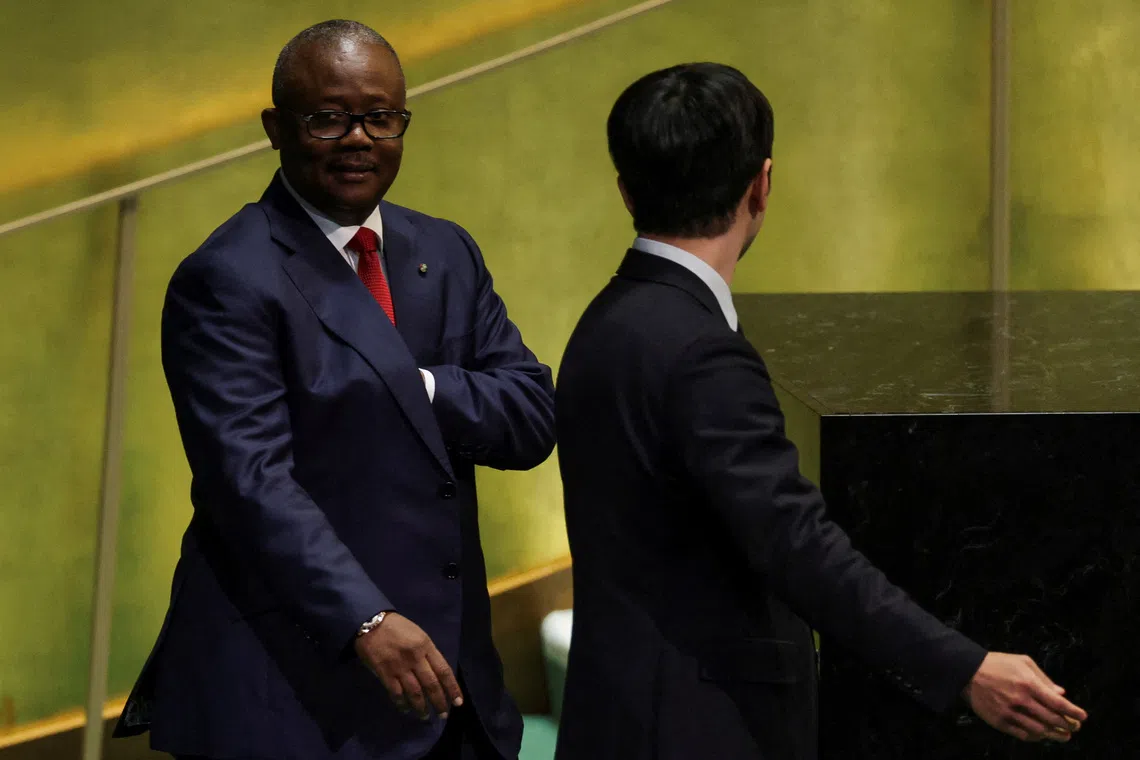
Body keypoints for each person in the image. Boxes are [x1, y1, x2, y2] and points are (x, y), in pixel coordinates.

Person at [553, 62, 1087, 760]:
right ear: (762, 184)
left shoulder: (605, 323)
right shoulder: (701, 353)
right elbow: (795, 545)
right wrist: (965, 667)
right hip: (700, 728)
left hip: (620, 718)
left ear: (625, 190)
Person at [113, 20, 556, 760]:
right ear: (275, 129)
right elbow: (251, 485)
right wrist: (368, 621)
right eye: (329, 118)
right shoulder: (227, 277)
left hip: (453, 684)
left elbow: (531, 413)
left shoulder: (444, 252)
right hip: (300, 691)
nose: (359, 137)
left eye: (381, 116)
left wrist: (418, 386)